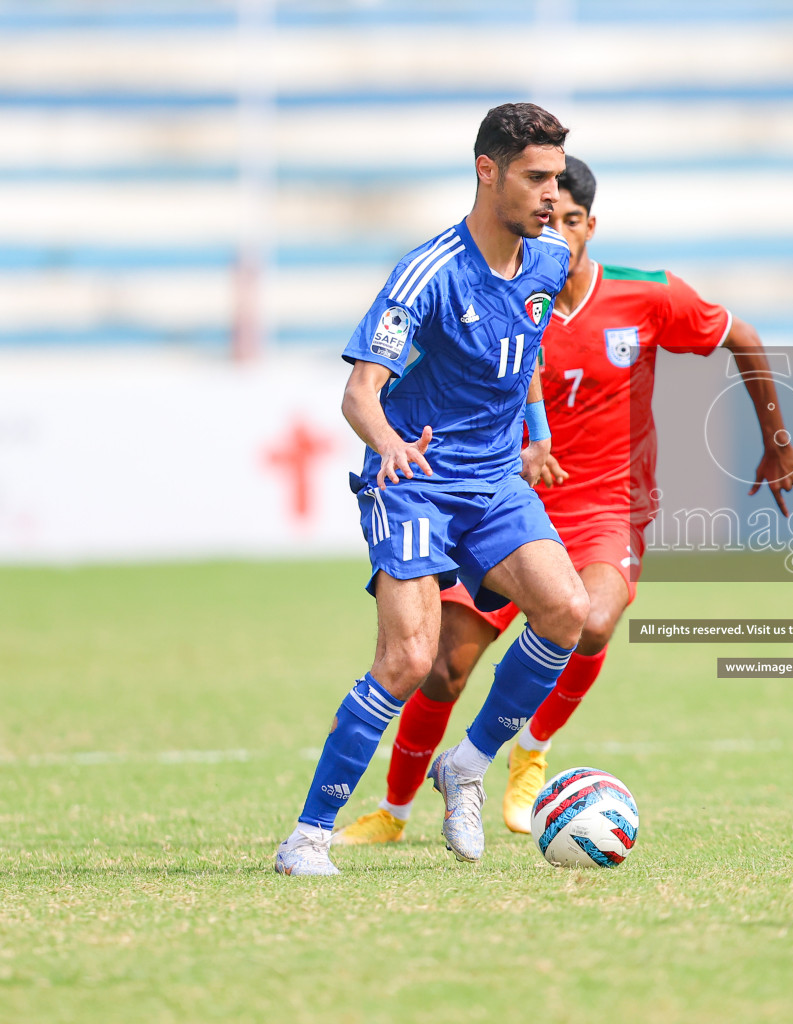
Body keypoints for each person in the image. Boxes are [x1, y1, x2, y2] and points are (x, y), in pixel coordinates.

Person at [332, 156, 793, 846]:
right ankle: (395, 812)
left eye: (574, 220)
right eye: (553, 217)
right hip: (503, 496)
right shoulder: (502, 294)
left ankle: (529, 748)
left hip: (607, 505)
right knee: (443, 666)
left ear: (590, 225)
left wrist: (778, 439)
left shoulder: (646, 296)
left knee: (592, 617)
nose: (562, 233)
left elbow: (744, 336)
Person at [274, 103, 588, 876]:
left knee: (567, 611)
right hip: (413, 479)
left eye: (557, 180)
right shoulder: (431, 271)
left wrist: (537, 430)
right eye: (536, 178)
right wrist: (387, 446)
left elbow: (529, 351)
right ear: (488, 172)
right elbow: (359, 393)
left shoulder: (548, 262)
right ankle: (307, 837)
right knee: (410, 659)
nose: (553, 196)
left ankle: (469, 762)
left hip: (493, 480)